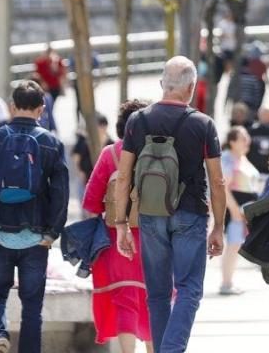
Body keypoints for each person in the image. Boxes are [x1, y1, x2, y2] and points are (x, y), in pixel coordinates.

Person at [113, 57, 227, 353]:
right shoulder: (202, 124)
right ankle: (171, 349)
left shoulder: (138, 121)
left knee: (158, 294)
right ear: (190, 87)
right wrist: (219, 227)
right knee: (189, 289)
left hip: (150, 214)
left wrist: (122, 223)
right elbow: (217, 181)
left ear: (163, 84)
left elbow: (124, 176)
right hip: (190, 213)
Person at [0, 79, 70, 353]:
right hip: (36, 238)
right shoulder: (51, 143)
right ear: (42, 109)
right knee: (32, 307)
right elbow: (61, 193)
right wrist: (52, 232)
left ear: (11, 106)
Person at [82, 100, 153, 352]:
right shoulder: (160, 154)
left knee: (125, 301)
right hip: (153, 240)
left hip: (115, 240)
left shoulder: (110, 154)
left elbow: (90, 202)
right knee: (153, 300)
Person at [220, 125, 262, 295]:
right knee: (233, 244)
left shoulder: (242, 158)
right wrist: (235, 210)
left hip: (246, 208)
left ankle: (228, 281)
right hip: (236, 208)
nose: (247, 141)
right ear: (232, 142)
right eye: (242, 138)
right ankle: (226, 283)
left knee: (237, 245)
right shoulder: (228, 159)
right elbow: (224, 187)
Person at [247, 106, 269, 175]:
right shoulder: (252, 130)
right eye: (262, 114)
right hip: (252, 171)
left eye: (266, 114)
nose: (263, 116)